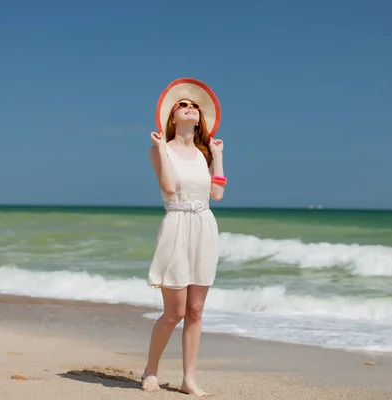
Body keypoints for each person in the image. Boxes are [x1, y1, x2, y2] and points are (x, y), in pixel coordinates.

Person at [142, 78, 226, 396]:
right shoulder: (158, 150)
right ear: (173, 116)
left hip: (204, 226)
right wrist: (163, 149)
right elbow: (168, 187)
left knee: (195, 312)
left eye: (194, 106)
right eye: (182, 105)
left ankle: (188, 379)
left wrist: (217, 156)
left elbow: (216, 193)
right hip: (176, 225)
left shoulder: (205, 154)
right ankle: (151, 370)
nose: (189, 108)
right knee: (174, 312)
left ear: (199, 117)